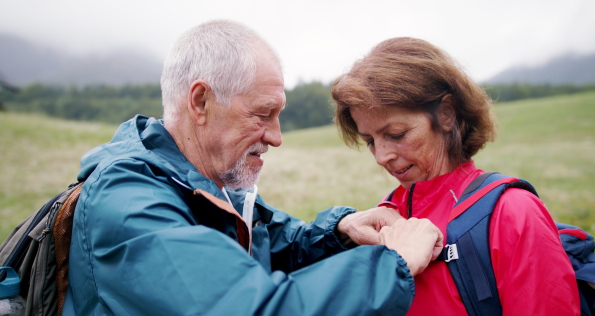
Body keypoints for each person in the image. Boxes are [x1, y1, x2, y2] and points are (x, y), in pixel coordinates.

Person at [62, 21, 444, 315]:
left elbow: (276, 243)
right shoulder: (129, 201)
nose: (276, 137)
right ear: (200, 102)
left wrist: (341, 233)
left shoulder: (206, 186)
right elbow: (251, 308)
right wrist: (393, 263)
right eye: (264, 114)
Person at [330, 37, 580, 315]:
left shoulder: (513, 212)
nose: (381, 156)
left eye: (396, 134)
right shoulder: (383, 215)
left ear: (447, 114)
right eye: (370, 141)